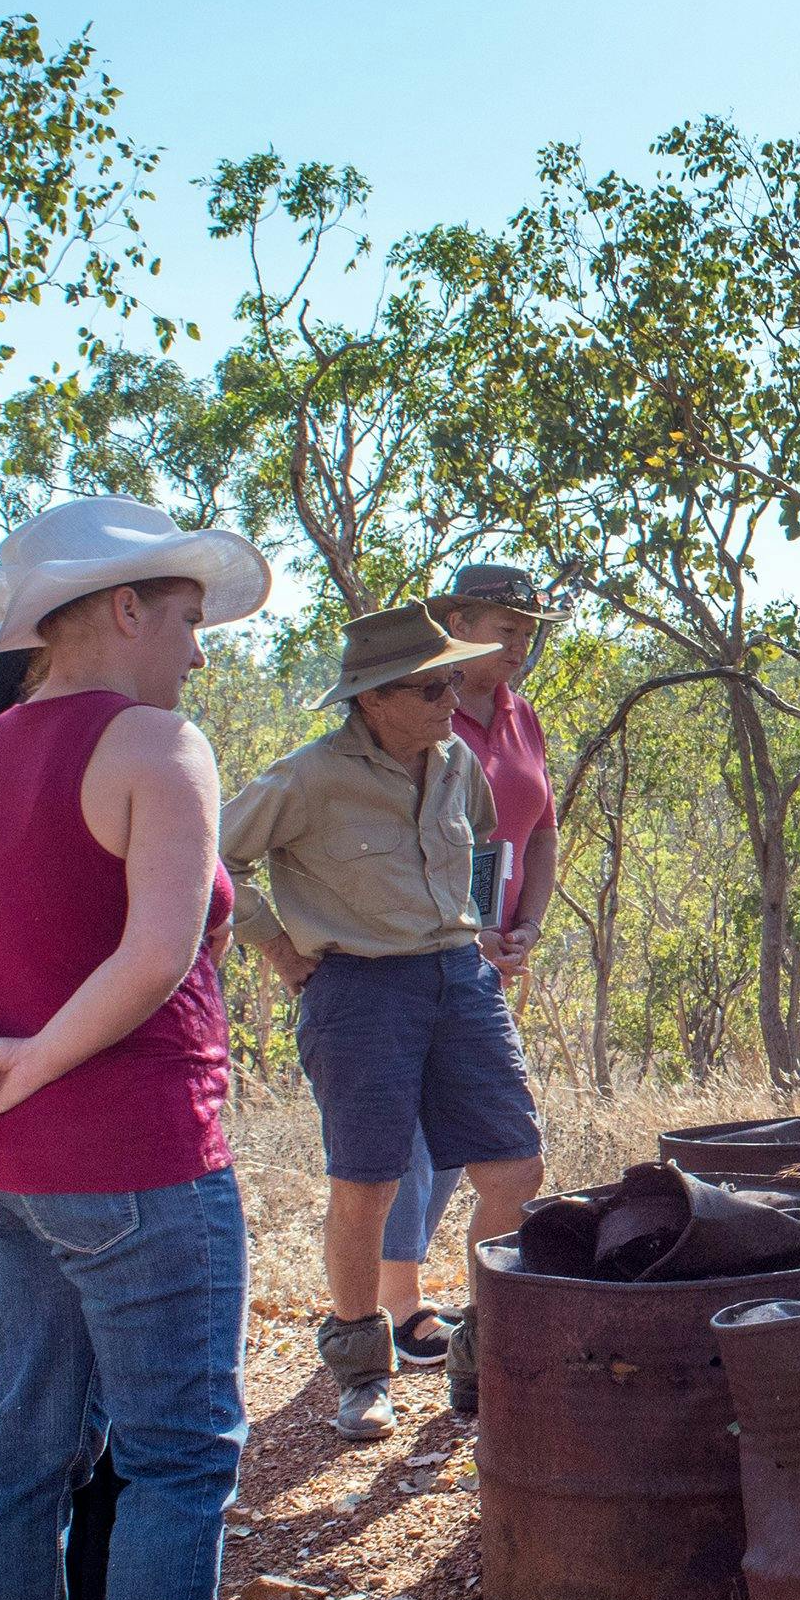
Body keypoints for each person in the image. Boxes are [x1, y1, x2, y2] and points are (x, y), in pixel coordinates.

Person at [0, 494, 307, 1600]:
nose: (199, 651)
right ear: (123, 607)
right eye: (187, 618)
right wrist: (22, 1058)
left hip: (0, 1167)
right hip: (134, 1153)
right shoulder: (155, 745)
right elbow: (154, 955)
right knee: (182, 1455)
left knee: (24, 1445)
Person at [220, 603, 545, 1445]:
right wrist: (278, 948)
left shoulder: (453, 762)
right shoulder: (307, 778)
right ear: (371, 697)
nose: (450, 698)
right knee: (368, 1181)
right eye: (430, 686)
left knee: (514, 1167)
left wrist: (482, 929)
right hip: (358, 991)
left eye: (451, 681)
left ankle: (487, 1355)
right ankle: (362, 1370)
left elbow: (483, 846)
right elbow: (214, 865)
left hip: (458, 980)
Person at [377, 563, 562, 1406]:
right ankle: (391, 1314)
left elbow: (542, 827)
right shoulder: (416, 705)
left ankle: (457, 1321)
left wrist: (528, 924)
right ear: (455, 620)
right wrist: (465, 929)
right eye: (503, 626)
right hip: (416, 957)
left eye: (528, 631)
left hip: (495, 956)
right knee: (406, 1139)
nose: (518, 644)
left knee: (480, 1138)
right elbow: (393, 840)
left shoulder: (522, 718)